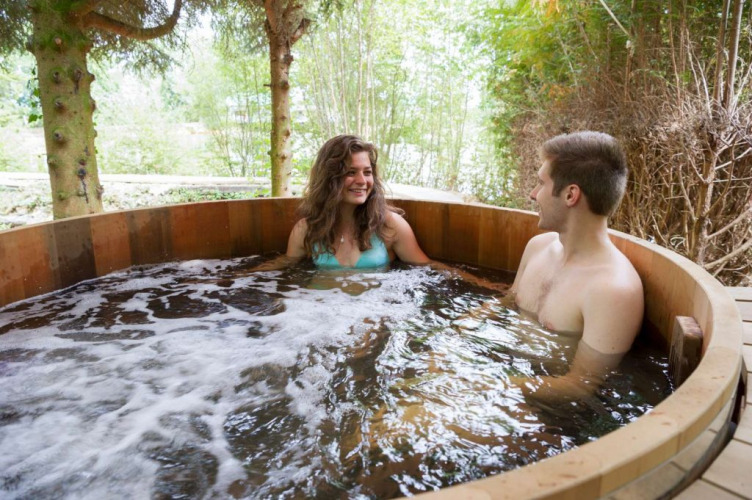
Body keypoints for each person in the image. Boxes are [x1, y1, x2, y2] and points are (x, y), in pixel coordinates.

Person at [509, 130, 644, 401]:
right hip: (509, 373)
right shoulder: (538, 248)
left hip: (551, 414)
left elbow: (580, 386)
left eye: (540, 183)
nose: (534, 194)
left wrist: (485, 388)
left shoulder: (612, 290)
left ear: (571, 195)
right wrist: (452, 335)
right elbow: (508, 302)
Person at [284, 134, 430, 268]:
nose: (362, 181)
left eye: (367, 172)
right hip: (317, 296)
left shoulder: (391, 225)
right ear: (328, 178)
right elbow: (286, 269)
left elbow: (427, 269)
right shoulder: (306, 229)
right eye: (351, 172)